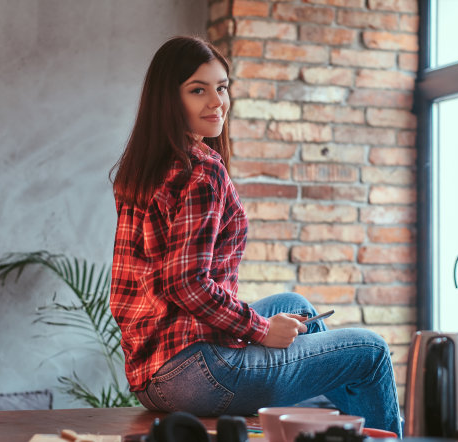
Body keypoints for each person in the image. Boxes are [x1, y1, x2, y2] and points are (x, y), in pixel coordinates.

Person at [109, 36, 402, 436]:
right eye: (198, 90)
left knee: (295, 305)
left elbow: (147, 291)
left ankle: (334, 433)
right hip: (198, 377)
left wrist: (260, 326)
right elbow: (187, 284)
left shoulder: (145, 168)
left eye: (222, 87)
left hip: (151, 377)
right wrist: (262, 330)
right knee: (370, 352)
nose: (217, 102)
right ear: (168, 99)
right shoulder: (201, 171)